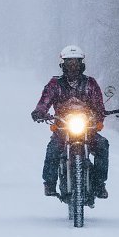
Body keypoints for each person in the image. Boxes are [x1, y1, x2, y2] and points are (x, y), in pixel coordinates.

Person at [31, 45, 110, 199]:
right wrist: (39, 111)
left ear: (82, 64)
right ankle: (49, 184)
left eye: (76, 62)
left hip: (87, 128)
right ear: (63, 64)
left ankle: (100, 184)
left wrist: (100, 114)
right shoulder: (55, 84)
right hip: (62, 129)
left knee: (102, 145)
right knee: (53, 149)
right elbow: (45, 101)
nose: (73, 66)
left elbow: (99, 104)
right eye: (69, 62)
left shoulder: (90, 83)